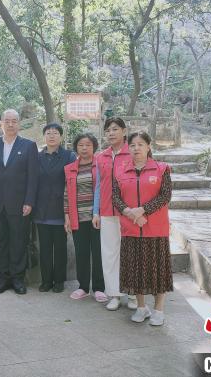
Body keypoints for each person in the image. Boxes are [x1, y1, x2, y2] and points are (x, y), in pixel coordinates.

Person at [112, 131, 173, 326]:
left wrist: (142, 211)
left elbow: (165, 196)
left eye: (140, 144)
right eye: (132, 145)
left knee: (158, 271)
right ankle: (141, 307)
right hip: (131, 229)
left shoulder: (162, 169)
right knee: (135, 270)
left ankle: (159, 310)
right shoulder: (120, 170)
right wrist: (130, 213)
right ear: (127, 148)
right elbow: (115, 197)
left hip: (155, 229)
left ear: (148, 146)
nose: (136, 148)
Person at [0, 109, 39, 295]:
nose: (11, 124)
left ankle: (17, 279)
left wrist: (29, 201)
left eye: (14, 121)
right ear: (1, 123)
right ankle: (2, 279)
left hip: (20, 204)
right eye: (7, 121)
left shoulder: (29, 146)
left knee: (18, 242)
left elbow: (33, 177)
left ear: (19, 124)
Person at [92, 117, 138, 311]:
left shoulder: (133, 153)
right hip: (106, 212)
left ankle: (134, 294)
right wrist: (96, 211)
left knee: (130, 253)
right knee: (109, 254)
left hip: (128, 212)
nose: (111, 133)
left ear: (124, 131)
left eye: (115, 129)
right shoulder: (101, 156)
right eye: (108, 130)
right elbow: (98, 186)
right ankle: (114, 294)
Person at [34, 123, 75, 293]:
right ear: (44, 137)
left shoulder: (69, 156)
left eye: (55, 133)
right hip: (41, 209)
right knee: (44, 248)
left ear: (61, 137)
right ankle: (46, 280)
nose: (52, 136)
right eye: (48, 133)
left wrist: (70, 211)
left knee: (60, 248)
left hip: (61, 209)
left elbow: (72, 184)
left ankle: (59, 281)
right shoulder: (36, 156)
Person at [64, 133, 106, 302]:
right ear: (76, 148)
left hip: (98, 218)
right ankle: (82, 287)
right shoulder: (70, 168)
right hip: (78, 217)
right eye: (81, 145)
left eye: (88, 144)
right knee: (81, 253)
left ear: (94, 147)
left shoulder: (101, 165)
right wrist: (66, 216)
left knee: (98, 253)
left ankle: (99, 288)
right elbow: (66, 194)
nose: (84, 148)